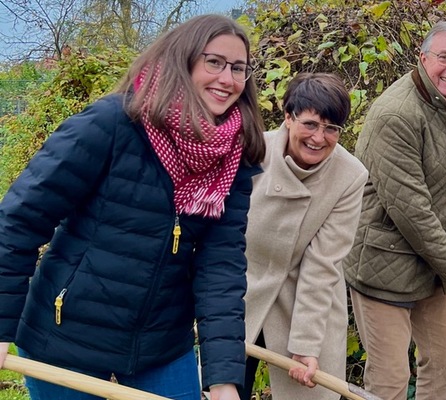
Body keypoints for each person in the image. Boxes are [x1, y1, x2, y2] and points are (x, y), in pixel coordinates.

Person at [0, 14, 265, 400]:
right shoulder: (111, 124)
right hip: (64, 337)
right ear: (183, 59)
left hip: (159, 346)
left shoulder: (231, 157)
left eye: (238, 68)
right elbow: (19, 221)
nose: (227, 79)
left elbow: (220, 267)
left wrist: (223, 378)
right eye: (214, 62)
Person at [343, 21, 446, 400]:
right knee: (390, 377)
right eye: (444, 57)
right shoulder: (396, 114)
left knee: (443, 360)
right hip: (383, 261)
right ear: (423, 58)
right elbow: (411, 210)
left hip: (429, 262)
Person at [238, 73, 368, 400]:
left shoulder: (350, 176)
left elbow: (323, 263)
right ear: (288, 118)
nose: (318, 138)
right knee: (223, 386)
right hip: (243, 290)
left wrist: (306, 344)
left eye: (331, 129)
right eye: (310, 124)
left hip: (307, 301)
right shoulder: (252, 150)